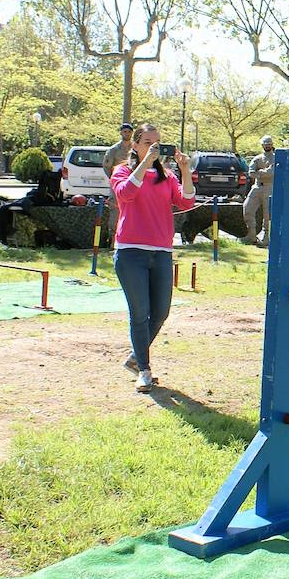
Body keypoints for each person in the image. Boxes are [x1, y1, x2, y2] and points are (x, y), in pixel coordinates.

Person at [110, 124, 194, 392]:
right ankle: (144, 371)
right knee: (140, 313)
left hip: (161, 253)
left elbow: (186, 202)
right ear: (134, 145)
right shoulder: (121, 171)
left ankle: (136, 357)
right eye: (147, 142)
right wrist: (145, 163)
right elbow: (125, 193)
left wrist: (185, 171)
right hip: (130, 252)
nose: (154, 148)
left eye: (157, 143)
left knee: (161, 312)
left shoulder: (167, 176)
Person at [243, 135, 276, 245]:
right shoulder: (257, 158)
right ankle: (251, 235)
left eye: (269, 144)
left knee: (267, 215)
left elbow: (271, 172)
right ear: (262, 145)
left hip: (269, 187)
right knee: (247, 209)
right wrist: (263, 172)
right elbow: (251, 173)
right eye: (265, 144)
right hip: (256, 187)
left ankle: (266, 238)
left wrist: (259, 172)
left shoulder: (275, 158)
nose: (267, 146)